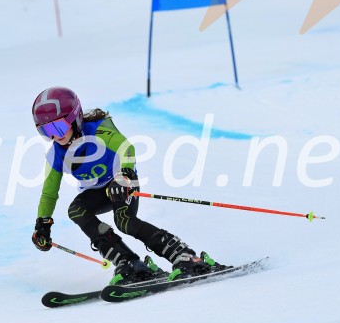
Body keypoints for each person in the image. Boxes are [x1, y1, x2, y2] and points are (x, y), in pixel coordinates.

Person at [30, 87, 222, 285]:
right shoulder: (56, 154)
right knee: (76, 210)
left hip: (121, 183)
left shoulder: (98, 129)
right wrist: (42, 224)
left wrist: (125, 175)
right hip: (97, 192)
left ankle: (185, 256)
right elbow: (49, 193)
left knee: (125, 221)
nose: (55, 136)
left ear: (75, 118)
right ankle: (128, 263)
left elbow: (126, 148)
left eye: (59, 127)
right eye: (46, 131)